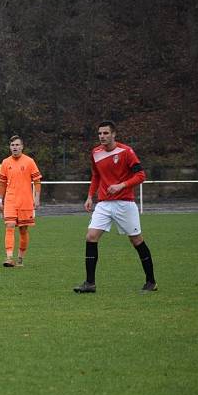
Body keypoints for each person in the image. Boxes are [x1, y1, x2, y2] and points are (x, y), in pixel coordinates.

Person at [73, 121, 157, 293]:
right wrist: (90, 196)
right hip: (103, 204)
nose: (102, 136)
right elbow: (96, 175)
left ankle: (151, 282)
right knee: (91, 237)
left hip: (125, 203)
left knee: (136, 240)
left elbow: (141, 175)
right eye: (100, 133)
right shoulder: (95, 153)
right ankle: (90, 283)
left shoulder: (126, 152)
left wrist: (121, 185)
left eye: (105, 133)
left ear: (114, 134)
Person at [0, 135, 42, 267]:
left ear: (22, 146)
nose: (15, 147)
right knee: (9, 226)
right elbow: (2, 184)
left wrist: (37, 198)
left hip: (25, 201)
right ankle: (9, 258)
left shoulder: (29, 161)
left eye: (17, 145)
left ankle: (20, 259)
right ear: (9, 147)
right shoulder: (5, 163)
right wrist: (0, 200)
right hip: (10, 200)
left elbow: (37, 181)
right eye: (12, 145)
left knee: (23, 230)